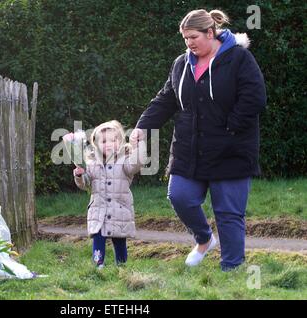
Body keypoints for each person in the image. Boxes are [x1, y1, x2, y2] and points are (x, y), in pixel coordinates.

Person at [130, 9, 267, 271]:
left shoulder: (239, 58)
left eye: (193, 37)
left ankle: (232, 268)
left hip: (231, 149)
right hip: (188, 149)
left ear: (210, 32)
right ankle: (204, 239)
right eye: (185, 39)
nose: (189, 43)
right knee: (180, 196)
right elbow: (166, 99)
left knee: (228, 214)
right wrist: (142, 126)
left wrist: (230, 127)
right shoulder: (181, 63)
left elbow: (255, 97)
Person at [73, 120, 146, 268]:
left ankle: (122, 265)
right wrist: (80, 176)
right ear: (96, 144)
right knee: (98, 237)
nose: (109, 144)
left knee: (119, 240)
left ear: (120, 142)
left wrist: (139, 145)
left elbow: (137, 163)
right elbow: (87, 184)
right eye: (104, 141)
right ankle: (98, 264)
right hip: (99, 209)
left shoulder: (125, 162)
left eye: (114, 140)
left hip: (119, 209)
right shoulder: (92, 163)